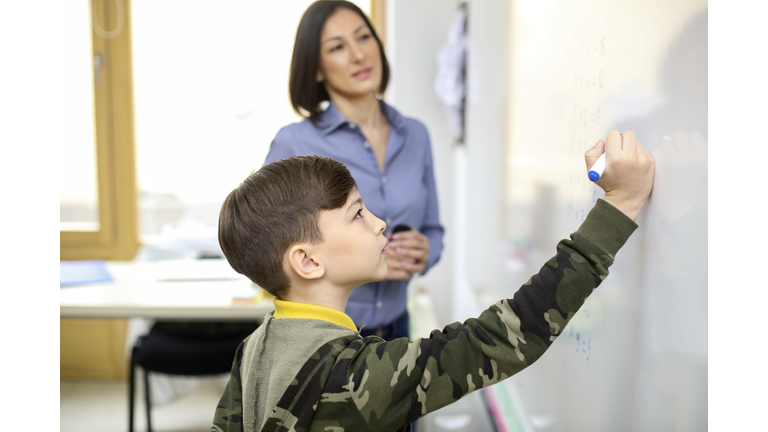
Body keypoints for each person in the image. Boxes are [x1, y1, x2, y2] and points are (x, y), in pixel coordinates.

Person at [212, 130, 655, 432]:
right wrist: (620, 205)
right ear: (307, 261)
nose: (381, 223)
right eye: (358, 214)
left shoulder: (255, 347)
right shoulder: (353, 378)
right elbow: (507, 334)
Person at [263, 0, 444, 340]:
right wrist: (353, 265)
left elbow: (433, 230)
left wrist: (425, 252)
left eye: (363, 38)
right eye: (337, 47)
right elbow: (265, 250)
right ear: (316, 68)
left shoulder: (416, 135)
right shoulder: (294, 144)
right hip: (322, 337)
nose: (358, 55)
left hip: (396, 330)